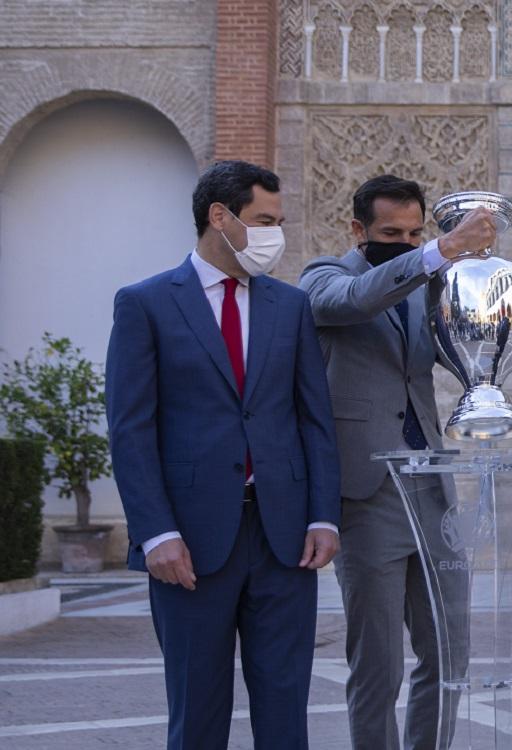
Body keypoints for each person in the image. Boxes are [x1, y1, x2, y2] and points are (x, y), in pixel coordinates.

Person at [106, 160, 341, 749]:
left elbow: (314, 419)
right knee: (198, 711)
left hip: (284, 537)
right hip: (188, 542)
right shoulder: (146, 304)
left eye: (279, 222)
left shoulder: (290, 307)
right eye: (264, 220)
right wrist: (155, 533)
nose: (275, 235)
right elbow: (130, 429)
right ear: (220, 216)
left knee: (285, 708)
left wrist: (323, 514)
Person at [299, 175, 495, 749]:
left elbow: (455, 345)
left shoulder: (419, 285)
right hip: (368, 495)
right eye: (391, 233)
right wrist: (441, 250)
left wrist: (483, 293)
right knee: (378, 664)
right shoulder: (323, 278)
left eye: (416, 233)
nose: (407, 243)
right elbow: (357, 301)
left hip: (432, 488)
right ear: (358, 230)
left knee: (449, 652)